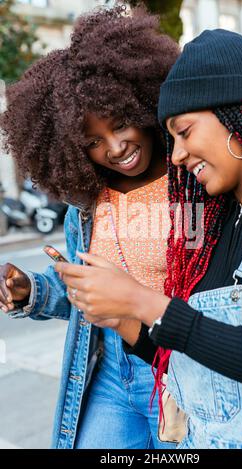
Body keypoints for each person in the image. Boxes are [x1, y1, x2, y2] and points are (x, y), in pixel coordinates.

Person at [55, 29, 242, 449]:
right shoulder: (221, 222)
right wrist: (123, 320)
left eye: (184, 132)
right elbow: (195, 363)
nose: (178, 155)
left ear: (238, 116)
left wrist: (143, 302)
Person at [0, 6, 179, 449]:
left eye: (121, 125)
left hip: (182, 372)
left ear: (144, 100)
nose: (116, 147)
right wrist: (32, 290)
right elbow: (88, 298)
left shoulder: (192, 179)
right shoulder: (86, 206)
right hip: (110, 374)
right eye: (93, 141)